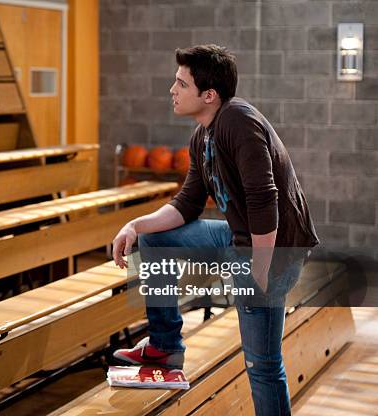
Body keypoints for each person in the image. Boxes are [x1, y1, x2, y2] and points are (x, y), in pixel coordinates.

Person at [111, 45, 319, 416]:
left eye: (181, 83)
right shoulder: (201, 136)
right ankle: (165, 346)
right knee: (153, 239)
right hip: (239, 237)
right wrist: (134, 224)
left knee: (262, 365)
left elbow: (264, 199)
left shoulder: (238, 122)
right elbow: (186, 205)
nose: (171, 90)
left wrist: (259, 270)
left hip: (276, 250)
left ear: (209, 95)